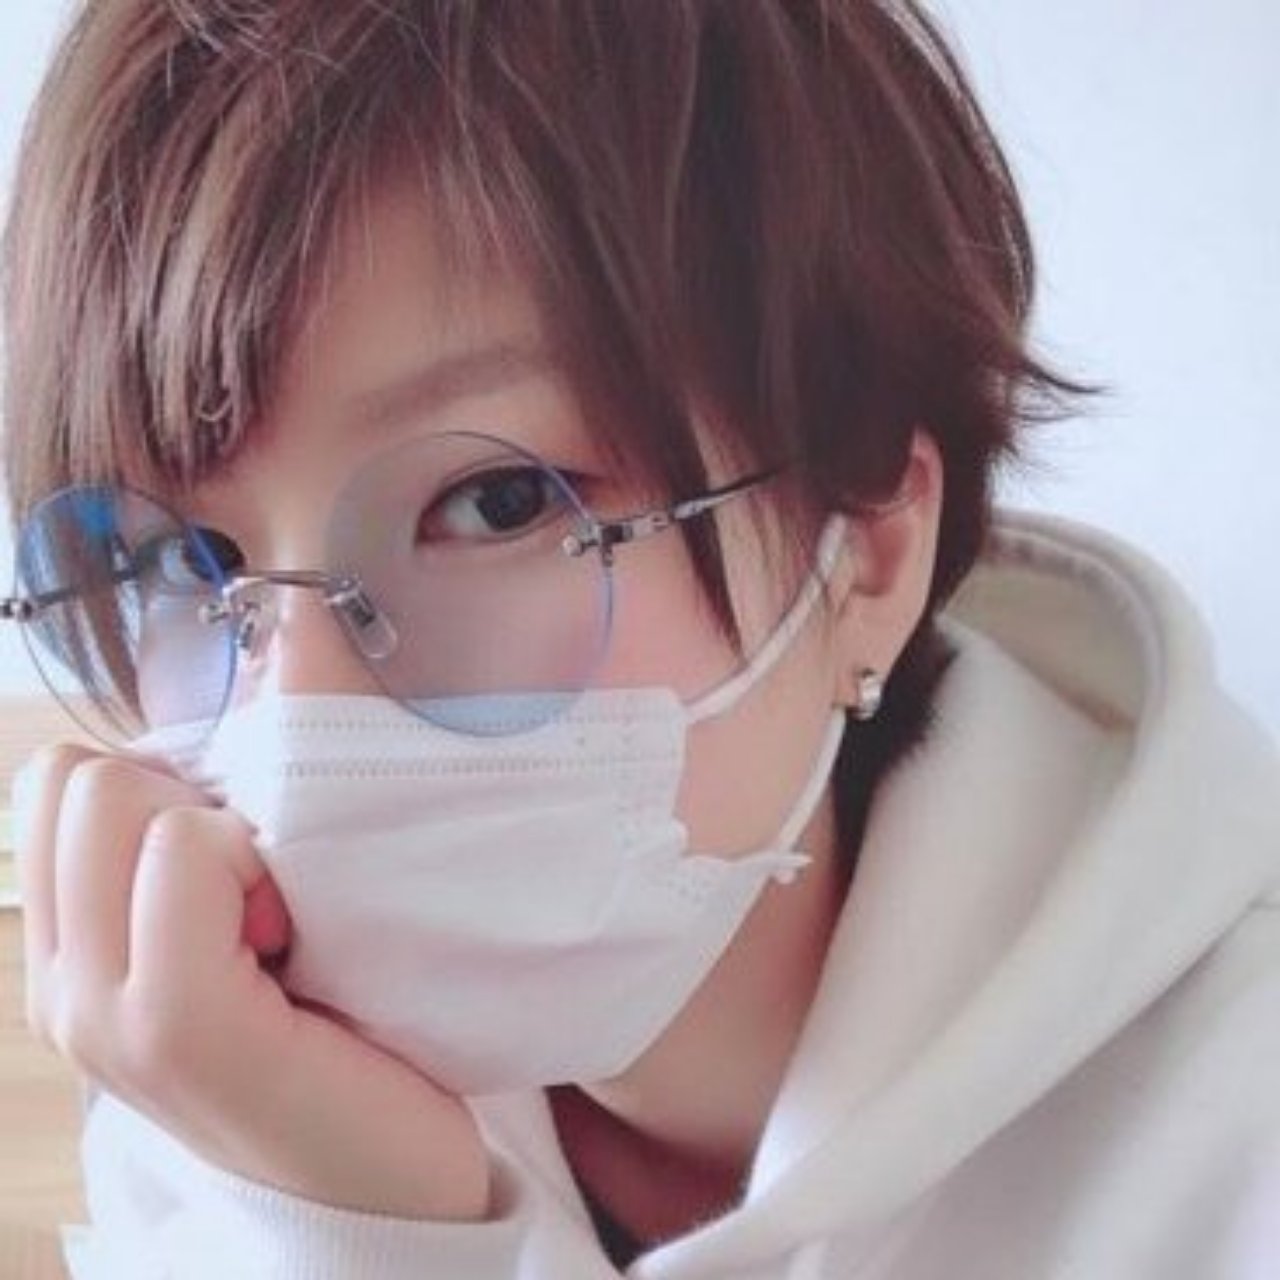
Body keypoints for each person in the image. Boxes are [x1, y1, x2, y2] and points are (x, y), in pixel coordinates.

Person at [3, 2, 1277, 1276]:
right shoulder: (207, 1078)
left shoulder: (1234, 1132)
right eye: (182, 560)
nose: (301, 711)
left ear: (869, 541)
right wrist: (337, 1221)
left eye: (494, 501)